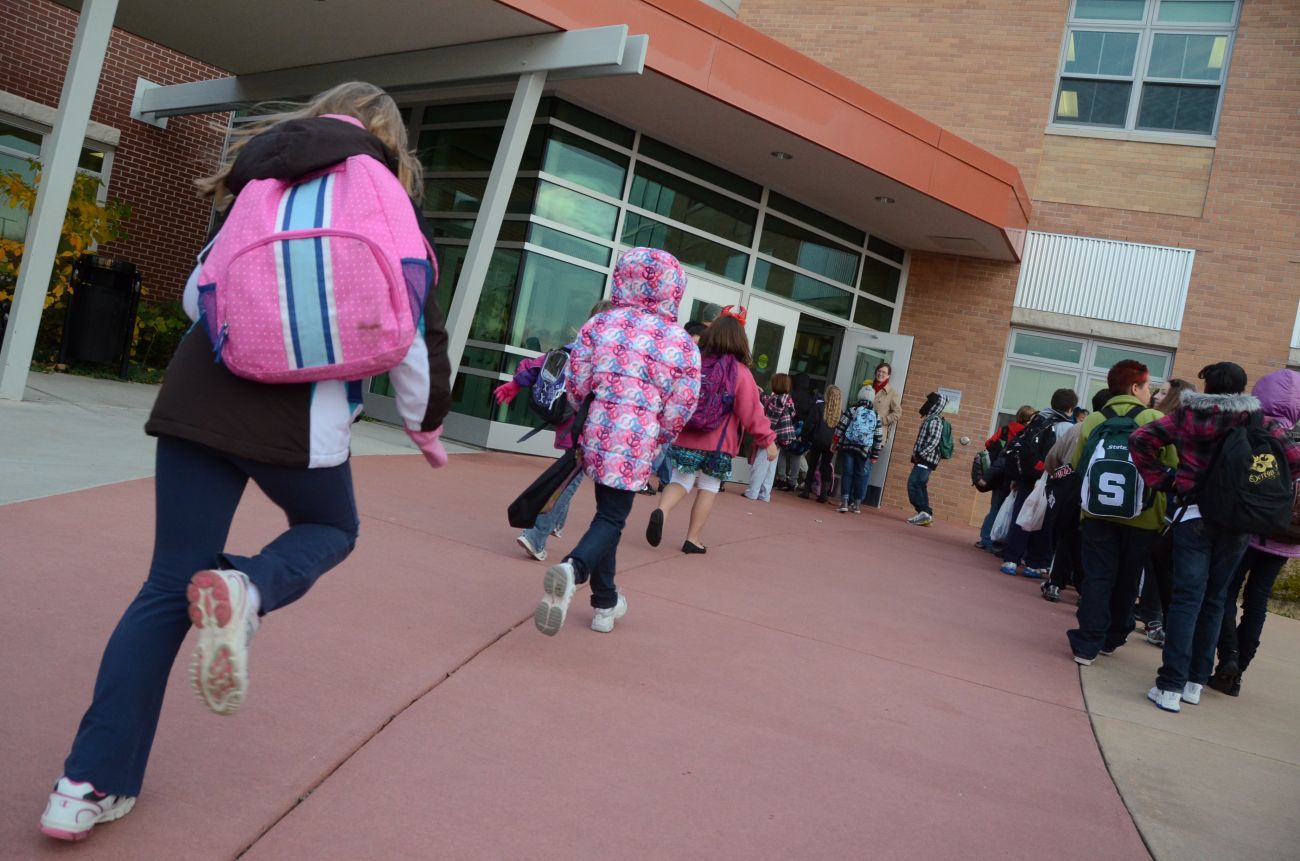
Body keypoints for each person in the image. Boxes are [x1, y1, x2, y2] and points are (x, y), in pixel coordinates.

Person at [38, 82, 451, 842]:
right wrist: (424, 426)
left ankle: (83, 785)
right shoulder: (383, 193)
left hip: (202, 391)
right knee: (331, 525)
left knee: (166, 583)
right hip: (301, 409)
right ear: (389, 139)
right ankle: (247, 585)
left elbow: (202, 295)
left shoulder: (260, 175)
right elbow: (415, 328)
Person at [535, 247, 700, 636]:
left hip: (598, 430)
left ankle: (605, 604)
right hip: (639, 439)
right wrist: (661, 434)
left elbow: (576, 381)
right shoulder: (680, 342)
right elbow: (683, 401)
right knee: (612, 518)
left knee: (606, 515)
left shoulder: (601, 325)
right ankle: (573, 568)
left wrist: (585, 407)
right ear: (673, 289)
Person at [1129, 362, 1300, 713]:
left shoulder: (1186, 416)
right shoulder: (1259, 421)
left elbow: (1140, 440)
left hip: (1195, 514)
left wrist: (1167, 479)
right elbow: (1293, 460)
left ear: (1206, 386)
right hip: (1238, 522)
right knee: (1215, 599)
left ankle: (1170, 686)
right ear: (1241, 389)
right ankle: (1195, 682)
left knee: (1186, 600)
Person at [1065, 363, 1175, 665]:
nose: (1150, 392)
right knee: (1128, 578)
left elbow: (1077, 465)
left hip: (1096, 514)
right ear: (1134, 388)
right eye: (1147, 386)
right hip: (1143, 517)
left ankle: (1086, 643)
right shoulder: (1154, 419)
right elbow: (1171, 466)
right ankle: (1113, 637)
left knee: (1098, 577)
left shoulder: (1093, 421)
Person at [649, 308, 776, 552]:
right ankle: (692, 539)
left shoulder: (695, 362)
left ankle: (661, 511)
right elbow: (752, 412)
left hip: (687, 436)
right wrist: (768, 440)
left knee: (680, 480)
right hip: (718, 444)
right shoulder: (740, 372)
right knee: (708, 487)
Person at [495, 300, 614, 560]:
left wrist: (515, 384)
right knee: (567, 481)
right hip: (588, 428)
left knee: (568, 472)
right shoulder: (609, 357)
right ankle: (536, 534)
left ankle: (555, 523)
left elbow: (537, 365)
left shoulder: (574, 348)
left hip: (565, 423)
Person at [1210, 368, 1300, 697]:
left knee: (1224, 593)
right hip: (1286, 534)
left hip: (1247, 525)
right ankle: (1237, 673)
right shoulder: (1295, 436)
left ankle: (1228, 658)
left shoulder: (1253, 426)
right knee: (1257, 601)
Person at [1135, 378, 1198, 642]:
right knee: (1157, 565)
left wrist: (1161, 478)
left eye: (1162, 392)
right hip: (1169, 504)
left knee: (1156, 564)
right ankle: (1154, 619)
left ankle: (1153, 619)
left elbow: (1171, 464)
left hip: (1164, 505)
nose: (1156, 395)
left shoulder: (1170, 426)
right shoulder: (1187, 426)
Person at [1040, 388, 1114, 602]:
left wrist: (1058, 477)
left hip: (1072, 490)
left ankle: (1055, 584)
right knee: (1093, 544)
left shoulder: (1079, 428)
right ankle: (1085, 589)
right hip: (1104, 496)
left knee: (1067, 537)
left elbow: (1052, 459)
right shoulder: (1123, 432)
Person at [998, 389, 1078, 577]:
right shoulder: (1067, 428)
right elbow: (1066, 459)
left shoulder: (1038, 419)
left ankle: (1011, 559)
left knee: (1021, 515)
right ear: (1070, 408)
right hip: (1049, 480)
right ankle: (1034, 564)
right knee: (1044, 521)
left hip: (1028, 477)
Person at [974, 404, 1034, 551]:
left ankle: (985, 538)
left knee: (995, 507)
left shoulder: (1005, 429)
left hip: (997, 474)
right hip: (1014, 477)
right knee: (1009, 509)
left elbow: (989, 443)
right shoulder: (1029, 434)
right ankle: (1000, 541)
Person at [833, 385, 884, 513]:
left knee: (847, 473)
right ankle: (856, 504)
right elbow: (878, 436)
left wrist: (835, 442)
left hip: (848, 447)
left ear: (859, 396)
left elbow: (840, 427)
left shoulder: (852, 410)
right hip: (864, 450)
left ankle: (844, 502)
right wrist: (875, 455)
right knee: (860, 475)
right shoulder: (875, 415)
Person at [746, 372, 795, 502]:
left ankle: (753, 492)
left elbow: (770, 420)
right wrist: (761, 394)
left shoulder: (776, 400)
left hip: (771, 437)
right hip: (781, 437)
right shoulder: (786, 399)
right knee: (770, 467)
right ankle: (765, 494)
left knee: (760, 464)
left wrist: (765, 436)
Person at [906, 391, 949, 526]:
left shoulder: (935, 420)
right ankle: (926, 514)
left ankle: (923, 512)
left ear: (936, 405)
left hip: (926, 460)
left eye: (930, 402)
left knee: (914, 484)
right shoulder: (930, 418)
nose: (927, 404)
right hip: (924, 459)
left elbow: (934, 441)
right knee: (920, 485)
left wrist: (920, 454)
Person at [798, 385, 842, 503]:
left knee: (812, 465)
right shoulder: (840, 413)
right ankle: (823, 494)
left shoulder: (819, 407)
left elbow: (810, 424)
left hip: (817, 440)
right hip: (831, 444)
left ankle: (806, 491)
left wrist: (804, 437)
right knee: (825, 466)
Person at [871, 362, 903, 445]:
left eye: (884, 372)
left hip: (876, 434)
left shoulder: (892, 393)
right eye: (879, 371)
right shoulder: (867, 387)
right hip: (860, 431)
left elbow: (897, 413)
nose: (880, 374)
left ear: (888, 376)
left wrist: (881, 420)